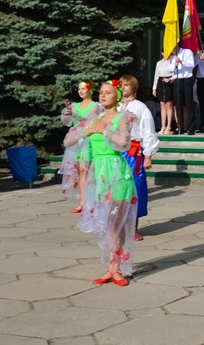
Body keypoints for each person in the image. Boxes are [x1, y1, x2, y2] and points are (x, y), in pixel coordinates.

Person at [63, 80, 136, 286]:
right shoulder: (94, 119)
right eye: (101, 92)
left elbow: (124, 143)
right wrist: (86, 131)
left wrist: (105, 130)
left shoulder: (122, 118)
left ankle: (116, 268)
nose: (103, 96)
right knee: (107, 223)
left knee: (116, 223)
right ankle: (111, 268)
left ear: (117, 96)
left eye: (108, 92)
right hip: (99, 174)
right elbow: (68, 141)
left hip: (117, 172)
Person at [119, 75, 160, 241]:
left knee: (136, 188)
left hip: (134, 152)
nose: (123, 87)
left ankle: (133, 228)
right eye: (121, 84)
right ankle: (117, 226)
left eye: (126, 85)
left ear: (133, 88)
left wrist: (148, 154)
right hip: (117, 152)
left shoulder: (140, 107)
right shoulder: (115, 107)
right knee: (117, 189)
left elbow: (148, 130)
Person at [59, 81, 99, 213]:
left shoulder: (95, 105)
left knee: (85, 170)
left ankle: (87, 202)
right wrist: (66, 114)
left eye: (83, 89)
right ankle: (84, 201)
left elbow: (87, 120)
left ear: (90, 90)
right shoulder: (75, 106)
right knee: (78, 170)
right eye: (79, 89)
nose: (80, 91)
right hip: (76, 139)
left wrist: (74, 115)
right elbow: (66, 122)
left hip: (88, 138)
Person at [172, 44, 197, 135]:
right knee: (178, 104)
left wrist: (181, 61)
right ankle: (180, 127)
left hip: (187, 79)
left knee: (189, 103)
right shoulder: (172, 56)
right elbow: (170, 69)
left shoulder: (187, 52)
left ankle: (191, 127)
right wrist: (174, 66)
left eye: (173, 49)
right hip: (177, 79)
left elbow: (192, 65)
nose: (172, 51)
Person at [153, 51, 176, 135]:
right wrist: (154, 88)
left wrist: (170, 79)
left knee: (169, 105)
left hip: (169, 82)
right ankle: (163, 126)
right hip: (161, 82)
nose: (167, 55)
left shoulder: (172, 62)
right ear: (162, 53)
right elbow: (156, 75)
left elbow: (175, 74)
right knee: (162, 105)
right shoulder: (159, 63)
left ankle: (169, 126)